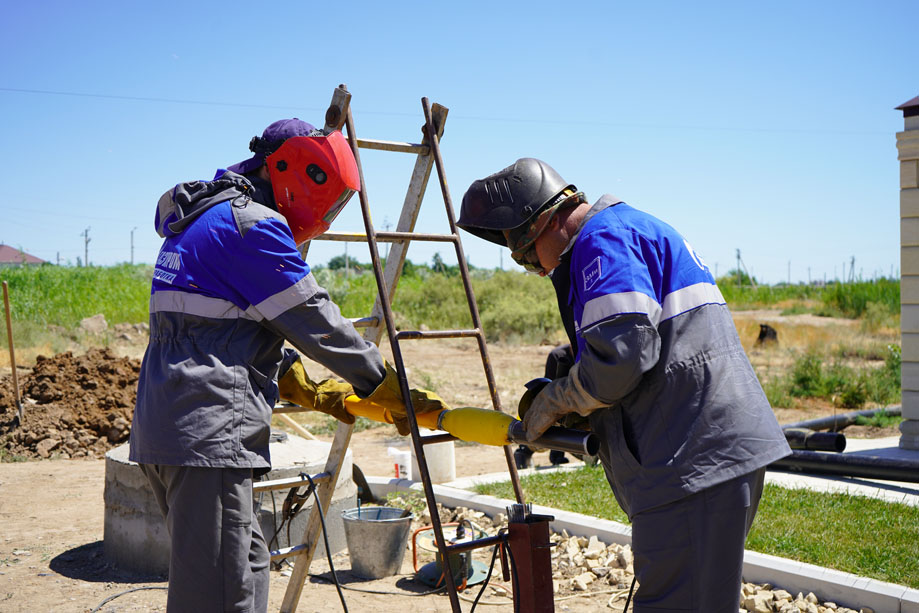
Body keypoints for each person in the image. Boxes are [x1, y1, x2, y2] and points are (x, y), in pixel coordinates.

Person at [129, 118, 444, 612]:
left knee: (247, 564)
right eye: (333, 201)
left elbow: (222, 327)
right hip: (208, 432)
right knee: (219, 597)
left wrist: (296, 380)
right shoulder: (251, 225)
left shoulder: (202, 219)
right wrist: (382, 383)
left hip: (171, 423)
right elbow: (315, 318)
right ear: (299, 171)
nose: (330, 215)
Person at [458, 158, 791, 613]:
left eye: (526, 255)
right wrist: (582, 400)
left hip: (689, 462)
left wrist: (557, 399)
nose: (533, 269)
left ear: (544, 221)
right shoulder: (630, 230)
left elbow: (623, 360)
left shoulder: (602, 241)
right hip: (708, 455)